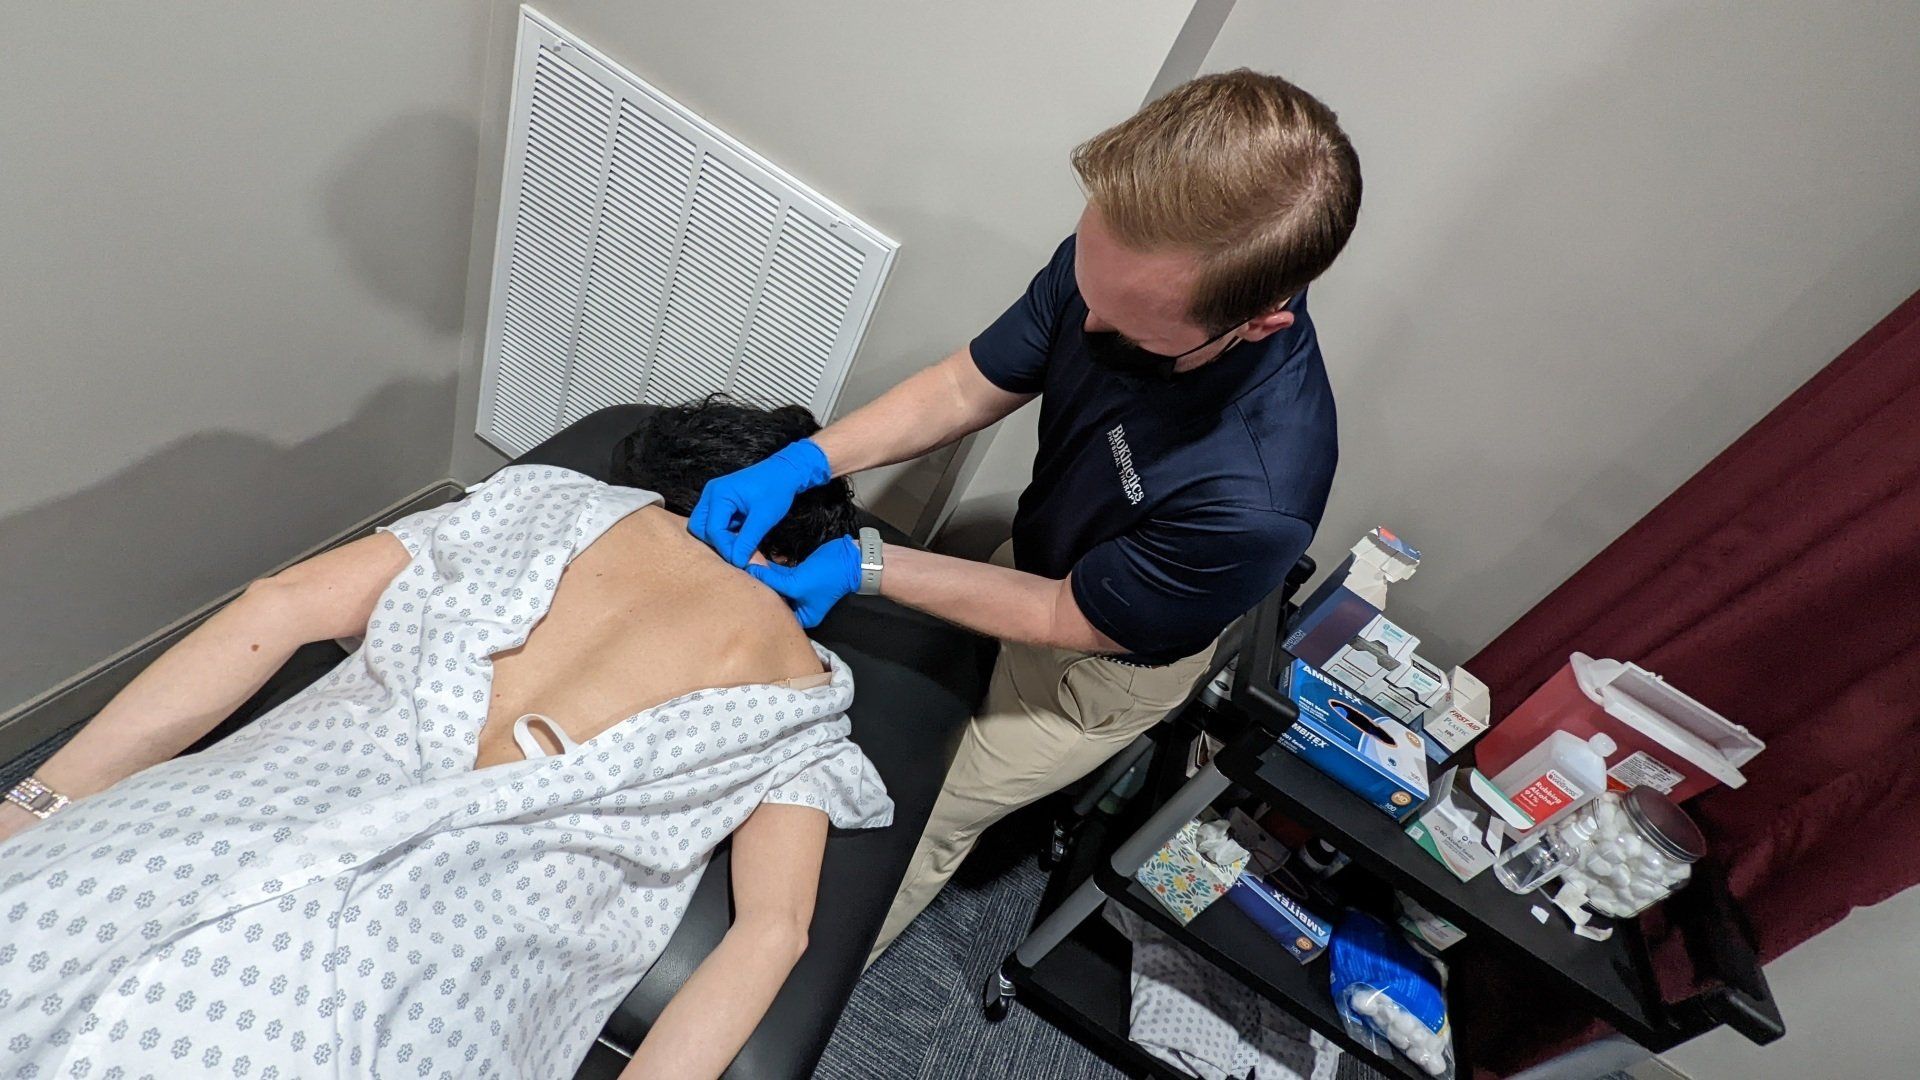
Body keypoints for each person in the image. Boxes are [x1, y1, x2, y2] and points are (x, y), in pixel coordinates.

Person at [0, 399, 891, 1080]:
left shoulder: (537, 501)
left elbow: (276, 608)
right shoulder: (800, 691)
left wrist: (31, 805)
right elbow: (774, 931)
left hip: (188, 843)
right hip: (422, 985)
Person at [686, 70, 1363, 958]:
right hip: (1034, 561)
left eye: (1131, 329)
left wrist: (866, 563)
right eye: (1092, 290)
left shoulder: (1258, 499)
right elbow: (972, 380)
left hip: (1094, 668)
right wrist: (805, 461)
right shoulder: (1129, 263)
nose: (1089, 330)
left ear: (1259, 323)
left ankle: (786, 982)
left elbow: (1061, 615)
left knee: (913, 817)